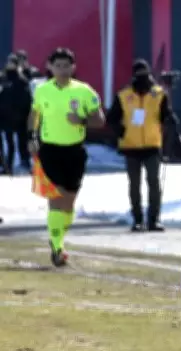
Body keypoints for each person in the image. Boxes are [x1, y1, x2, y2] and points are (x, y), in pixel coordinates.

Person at [27, 48, 105, 266]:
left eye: (66, 66)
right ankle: (57, 247)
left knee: (69, 202)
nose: (62, 70)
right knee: (56, 197)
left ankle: (58, 237)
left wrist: (81, 120)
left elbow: (100, 120)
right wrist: (31, 136)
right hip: (50, 150)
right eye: (58, 66)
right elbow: (34, 115)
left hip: (75, 151)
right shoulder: (42, 90)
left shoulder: (84, 91)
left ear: (73, 67)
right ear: (50, 67)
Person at [106, 59, 178, 232]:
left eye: (145, 74)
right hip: (130, 145)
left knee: (154, 182)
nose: (142, 78)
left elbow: (165, 115)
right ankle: (137, 219)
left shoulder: (158, 94)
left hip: (152, 145)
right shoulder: (123, 96)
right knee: (134, 184)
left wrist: (170, 119)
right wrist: (119, 131)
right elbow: (111, 118)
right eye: (139, 74)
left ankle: (154, 219)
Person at [0, 54, 32, 174]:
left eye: (13, 63)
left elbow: (26, 100)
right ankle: (6, 166)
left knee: (20, 143)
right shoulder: (2, 79)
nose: (10, 65)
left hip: (19, 119)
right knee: (7, 144)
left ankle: (21, 164)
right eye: (9, 62)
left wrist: (23, 115)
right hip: (4, 119)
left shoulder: (22, 81)